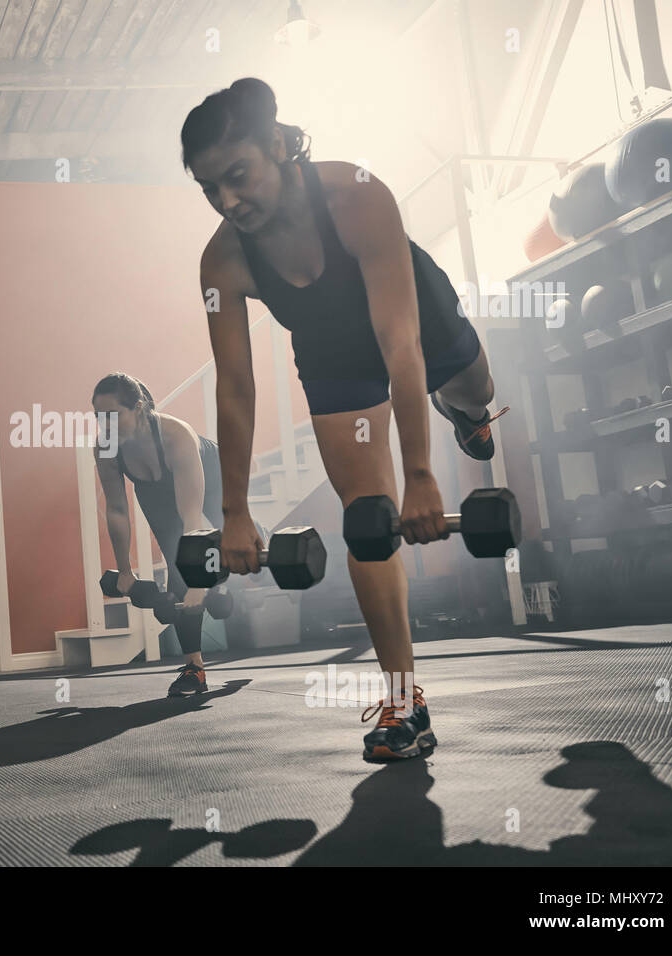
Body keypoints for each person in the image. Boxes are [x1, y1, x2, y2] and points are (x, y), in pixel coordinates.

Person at [182, 78, 509, 761]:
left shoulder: (358, 195)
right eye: (211, 189)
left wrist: (421, 474)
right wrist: (236, 512)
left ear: (278, 145)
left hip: (412, 313)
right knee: (367, 520)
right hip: (332, 354)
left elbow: (400, 341)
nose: (227, 202)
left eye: (237, 177)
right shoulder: (222, 260)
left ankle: (465, 412)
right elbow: (236, 389)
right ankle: (404, 702)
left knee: (475, 389)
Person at [92, 372, 237, 697]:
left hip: (213, 477)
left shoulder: (176, 436)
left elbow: (192, 520)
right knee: (176, 568)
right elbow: (116, 509)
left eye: (113, 415)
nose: (106, 425)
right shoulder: (106, 446)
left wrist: (200, 583)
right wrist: (126, 573)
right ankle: (194, 668)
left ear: (139, 407)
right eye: (99, 417)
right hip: (155, 489)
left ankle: (222, 581)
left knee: (235, 549)